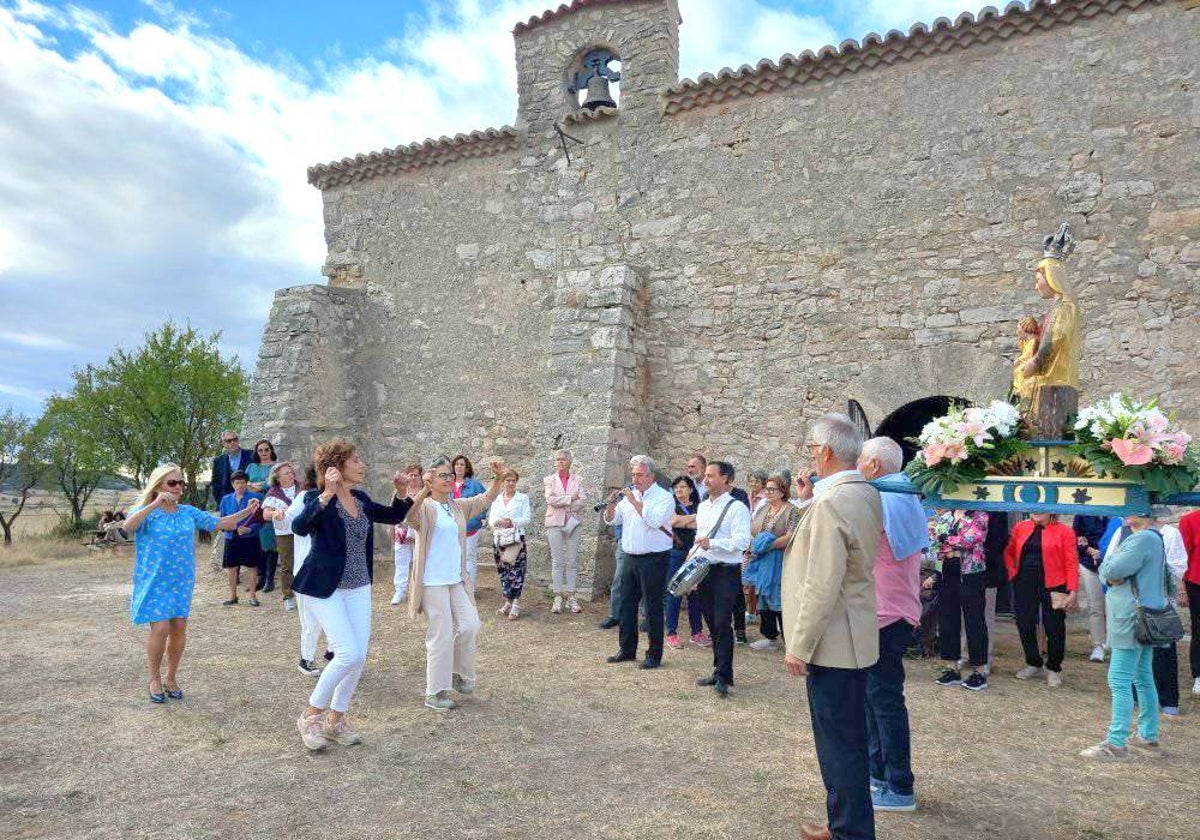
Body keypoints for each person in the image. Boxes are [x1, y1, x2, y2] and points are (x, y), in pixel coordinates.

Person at [783, 413, 883, 840]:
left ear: (824, 452)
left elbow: (822, 581)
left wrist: (799, 645)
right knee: (847, 739)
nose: (811, 458)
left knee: (838, 743)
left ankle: (850, 832)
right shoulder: (865, 492)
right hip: (853, 633)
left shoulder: (830, 502)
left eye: (812, 450)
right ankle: (844, 822)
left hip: (833, 641)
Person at [291, 441, 414, 750]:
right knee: (347, 653)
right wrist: (327, 493)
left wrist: (402, 492)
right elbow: (300, 526)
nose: (363, 465)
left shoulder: (359, 498)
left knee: (358, 658)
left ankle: (336, 721)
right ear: (337, 466)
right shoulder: (315, 498)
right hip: (323, 587)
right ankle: (310, 716)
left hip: (359, 586)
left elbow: (393, 515)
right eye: (356, 460)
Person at [124, 464, 261, 703]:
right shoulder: (146, 511)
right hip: (155, 579)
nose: (178, 487)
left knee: (178, 628)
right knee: (161, 628)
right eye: (172, 483)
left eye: (181, 483)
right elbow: (128, 527)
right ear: (158, 486)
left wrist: (246, 512)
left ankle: (171, 677)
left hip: (181, 580)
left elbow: (220, 523)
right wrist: (155, 504)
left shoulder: (188, 512)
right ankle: (154, 678)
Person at [856, 437, 927, 813]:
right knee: (873, 699)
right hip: (891, 609)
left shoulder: (882, 500)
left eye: (861, 461)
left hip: (885, 612)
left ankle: (900, 786)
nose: (858, 467)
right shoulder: (905, 499)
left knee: (884, 701)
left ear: (873, 467)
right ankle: (879, 774)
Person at [406, 455, 505, 711]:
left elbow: (485, 500)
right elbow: (410, 517)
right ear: (432, 478)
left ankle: (458, 674)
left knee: (471, 625)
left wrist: (498, 478)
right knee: (441, 634)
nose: (449, 479)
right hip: (431, 581)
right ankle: (435, 692)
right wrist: (424, 491)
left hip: (456, 579)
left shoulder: (457, 506)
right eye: (444, 475)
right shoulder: (426, 506)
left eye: (451, 475)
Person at [1081, 511, 1170, 760]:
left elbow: (1109, 569)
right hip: (1141, 615)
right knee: (1142, 677)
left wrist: (1109, 569)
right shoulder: (1150, 537)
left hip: (1129, 617)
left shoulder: (1141, 539)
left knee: (1119, 679)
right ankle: (1147, 735)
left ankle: (1115, 743)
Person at [1105, 512, 1188, 715]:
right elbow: (1107, 566)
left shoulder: (1164, 534)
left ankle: (1167, 702)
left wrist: (1136, 569)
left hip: (1150, 607)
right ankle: (1143, 722)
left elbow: (1177, 565)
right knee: (1140, 673)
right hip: (1133, 609)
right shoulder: (1122, 532)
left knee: (1158, 658)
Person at [602, 454, 674, 669]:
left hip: (654, 559)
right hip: (630, 558)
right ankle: (627, 649)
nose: (636, 479)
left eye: (640, 475)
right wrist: (611, 505)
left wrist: (634, 502)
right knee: (626, 605)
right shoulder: (628, 496)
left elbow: (654, 521)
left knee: (652, 609)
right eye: (633, 475)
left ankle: (654, 655)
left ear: (651, 476)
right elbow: (613, 520)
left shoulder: (664, 497)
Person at [693, 461, 753, 694]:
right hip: (705, 568)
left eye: (710, 476)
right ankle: (718, 669)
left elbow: (742, 542)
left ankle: (724, 676)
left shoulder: (737, 508)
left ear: (725, 478)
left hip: (727, 572)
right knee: (711, 622)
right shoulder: (703, 507)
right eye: (705, 476)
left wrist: (713, 543)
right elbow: (699, 538)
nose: (705, 480)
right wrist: (693, 563)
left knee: (721, 622)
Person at [1004, 513, 1078, 687]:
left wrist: (1073, 589)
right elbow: (1009, 551)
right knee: (1024, 622)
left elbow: (1071, 561)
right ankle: (1033, 662)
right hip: (1024, 582)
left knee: (1055, 626)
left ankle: (1053, 667)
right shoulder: (1020, 527)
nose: (1036, 511)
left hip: (1054, 583)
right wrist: (1012, 572)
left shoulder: (1064, 531)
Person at [929, 509, 990, 691]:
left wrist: (946, 540)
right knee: (947, 619)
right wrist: (949, 542)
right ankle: (951, 667)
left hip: (971, 573)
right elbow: (934, 539)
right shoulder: (946, 516)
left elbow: (971, 539)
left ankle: (979, 671)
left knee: (974, 621)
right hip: (946, 571)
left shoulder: (980, 515)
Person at [280, 465, 327, 677]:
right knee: (310, 620)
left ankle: (334, 653)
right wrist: (273, 512)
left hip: (331, 568)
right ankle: (306, 659)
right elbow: (288, 519)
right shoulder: (305, 497)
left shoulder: (343, 496)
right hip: (307, 568)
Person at [744, 474, 799, 652]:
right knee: (763, 598)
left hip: (780, 560)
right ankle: (770, 637)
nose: (768, 492)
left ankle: (789, 640)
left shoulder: (791, 511)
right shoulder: (764, 508)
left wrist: (768, 545)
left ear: (782, 491)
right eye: (766, 489)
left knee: (779, 599)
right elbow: (753, 529)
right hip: (763, 561)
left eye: (772, 489)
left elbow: (791, 536)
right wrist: (754, 547)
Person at [665, 476, 708, 650]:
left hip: (696, 554)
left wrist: (686, 521)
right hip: (676, 553)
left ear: (691, 489)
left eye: (682, 487)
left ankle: (696, 632)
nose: (678, 490)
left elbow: (703, 524)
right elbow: (673, 521)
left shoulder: (701, 505)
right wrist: (693, 519)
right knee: (674, 592)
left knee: (695, 594)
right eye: (675, 488)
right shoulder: (671, 506)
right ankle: (672, 633)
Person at [544, 449, 586, 614]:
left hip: (573, 522)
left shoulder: (578, 479)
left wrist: (563, 502)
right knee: (557, 560)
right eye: (557, 459)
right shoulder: (549, 480)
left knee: (572, 560)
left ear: (569, 462)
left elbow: (583, 500)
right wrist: (570, 499)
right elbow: (550, 500)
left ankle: (571, 595)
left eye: (562, 459)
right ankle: (557, 596)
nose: (559, 462)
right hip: (554, 522)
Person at [489, 469, 533, 620]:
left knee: (517, 571)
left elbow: (527, 518)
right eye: (508, 480)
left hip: (515, 540)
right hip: (499, 540)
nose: (511, 483)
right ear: (502, 483)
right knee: (504, 571)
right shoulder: (496, 500)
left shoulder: (523, 498)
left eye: (513, 480)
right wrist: (498, 522)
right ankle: (507, 600)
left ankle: (516, 602)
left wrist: (511, 522)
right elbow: (491, 520)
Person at [218, 471, 264, 606]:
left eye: (243, 482)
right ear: (232, 484)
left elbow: (261, 520)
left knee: (252, 566)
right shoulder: (225, 499)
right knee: (231, 567)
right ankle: (233, 596)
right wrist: (229, 528)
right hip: (231, 537)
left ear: (246, 483)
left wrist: (250, 529)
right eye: (237, 483)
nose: (240, 485)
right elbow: (222, 519)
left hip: (249, 537)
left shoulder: (256, 497)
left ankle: (252, 596)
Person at [261, 462, 300, 611]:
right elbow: (265, 515)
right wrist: (274, 514)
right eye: (286, 473)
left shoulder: (302, 489)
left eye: (291, 472)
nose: (291, 475)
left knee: (306, 561)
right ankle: (288, 595)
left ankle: (306, 592)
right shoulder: (273, 493)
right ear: (277, 478)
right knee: (287, 565)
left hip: (304, 531)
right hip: (285, 533)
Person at [1074, 514, 1112, 662]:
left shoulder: (1117, 513)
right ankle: (1098, 645)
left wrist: (1104, 553)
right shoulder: (1083, 512)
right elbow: (1077, 536)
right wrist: (1090, 550)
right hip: (1089, 564)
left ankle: (1114, 645)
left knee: (1112, 607)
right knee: (1095, 606)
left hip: (1113, 563)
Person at [247, 439, 280, 593]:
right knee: (256, 544)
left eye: (266, 450)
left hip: (269, 508)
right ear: (257, 452)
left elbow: (271, 484)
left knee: (269, 544)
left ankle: (270, 579)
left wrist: (257, 485)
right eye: (260, 450)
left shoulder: (276, 467)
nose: (264, 453)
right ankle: (259, 579)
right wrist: (260, 485)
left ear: (271, 450)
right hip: (252, 509)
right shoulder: (251, 466)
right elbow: (244, 483)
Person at [451, 454, 487, 586]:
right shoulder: (447, 484)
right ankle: (456, 586)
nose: (459, 467)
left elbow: (485, 501)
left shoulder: (474, 485)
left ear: (466, 468)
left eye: (462, 464)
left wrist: (480, 518)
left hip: (470, 527)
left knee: (468, 558)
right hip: (452, 528)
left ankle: (469, 588)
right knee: (454, 558)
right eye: (456, 464)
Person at [391, 464, 423, 606]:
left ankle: (419, 592)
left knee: (420, 563)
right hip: (402, 532)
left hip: (419, 532)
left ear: (421, 477)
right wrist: (393, 528)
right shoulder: (398, 492)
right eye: (411, 474)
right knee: (401, 563)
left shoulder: (426, 493)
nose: (413, 477)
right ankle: (400, 591)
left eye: (416, 475)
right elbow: (393, 511)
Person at [1180, 508, 1200, 697]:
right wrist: (1182, 588)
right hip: (1197, 583)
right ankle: (1199, 674)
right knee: (1199, 630)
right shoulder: (1190, 520)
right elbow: (1183, 556)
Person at [211, 431, 255, 507]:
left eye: (235, 439)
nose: (232, 442)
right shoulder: (218, 461)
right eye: (229, 441)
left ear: (238, 441)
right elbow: (216, 484)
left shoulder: (251, 455)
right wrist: (221, 503)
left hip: (249, 502)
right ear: (224, 444)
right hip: (228, 504)